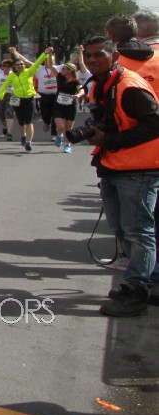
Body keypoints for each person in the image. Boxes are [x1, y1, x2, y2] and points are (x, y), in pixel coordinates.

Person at [80, 36, 159, 316]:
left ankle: (137, 291)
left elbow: (155, 124)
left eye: (98, 54)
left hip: (139, 169)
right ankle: (145, 281)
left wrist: (110, 140)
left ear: (114, 56)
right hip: (115, 165)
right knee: (122, 229)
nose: (92, 60)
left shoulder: (129, 85)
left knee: (138, 231)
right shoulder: (101, 85)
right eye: (88, 55)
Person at [0, 46, 54, 152]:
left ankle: (29, 142)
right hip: (18, 100)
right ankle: (23, 136)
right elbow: (4, 86)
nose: (20, 66)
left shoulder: (29, 72)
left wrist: (45, 53)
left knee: (29, 122)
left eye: (22, 64)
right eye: (18, 64)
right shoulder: (11, 76)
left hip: (29, 99)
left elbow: (37, 63)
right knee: (21, 122)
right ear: (14, 66)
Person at [52, 62, 83, 153]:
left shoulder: (76, 81)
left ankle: (67, 145)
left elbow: (82, 90)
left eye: (64, 69)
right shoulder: (60, 77)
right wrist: (48, 55)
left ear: (69, 71)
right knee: (61, 127)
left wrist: (78, 95)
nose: (62, 70)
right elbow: (50, 66)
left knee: (68, 128)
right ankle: (59, 135)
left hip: (70, 107)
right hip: (59, 105)